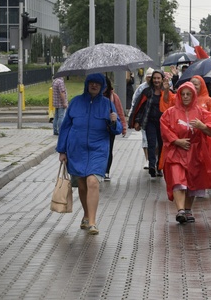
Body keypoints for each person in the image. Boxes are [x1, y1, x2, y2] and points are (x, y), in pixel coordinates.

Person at [57, 74, 122, 235]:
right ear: (86, 85)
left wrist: (114, 120)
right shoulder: (76, 102)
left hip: (98, 148)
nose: (94, 86)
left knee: (93, 181)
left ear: (102, 87)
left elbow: (117, 129)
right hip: (77, 149)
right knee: (82, 183)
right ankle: (86, 215)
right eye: (91, 83)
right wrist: (62, 150)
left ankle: (92, 222)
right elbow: (65, 127)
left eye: (97, 84)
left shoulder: (107, 104)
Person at [159, 81, 211, 223]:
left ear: (193, 95)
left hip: (195, 152)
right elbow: (164, 128)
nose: (186, 97)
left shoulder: (201, 112)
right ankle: (180, 210)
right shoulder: (170, 112)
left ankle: (187, 210)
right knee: (177, 179)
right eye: (183, 94)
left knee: (192, 182)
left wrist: (202, 126)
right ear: (179, 95)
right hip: (176, 152)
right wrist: (176, 141)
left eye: (189, 94)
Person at [130, 70, 173, 178]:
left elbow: (171, 104)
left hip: (163, 123)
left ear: (162, 79)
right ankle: (152, 166)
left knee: (162, 144)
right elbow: (140, 107)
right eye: (154, 78)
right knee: (151, 143)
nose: (156, 80)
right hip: (150, 122)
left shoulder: (166, 91)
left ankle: (160, 166)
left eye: (158, 78)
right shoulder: (147, 91)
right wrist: (137, 121)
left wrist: (167, 90)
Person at [103, 76, 127, 181]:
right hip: (99, 128)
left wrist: (123, 127)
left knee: (109, 149)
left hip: (110, 128)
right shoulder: (93, 97)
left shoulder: (113, 97)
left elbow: (120, 111)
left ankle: (106, 171)